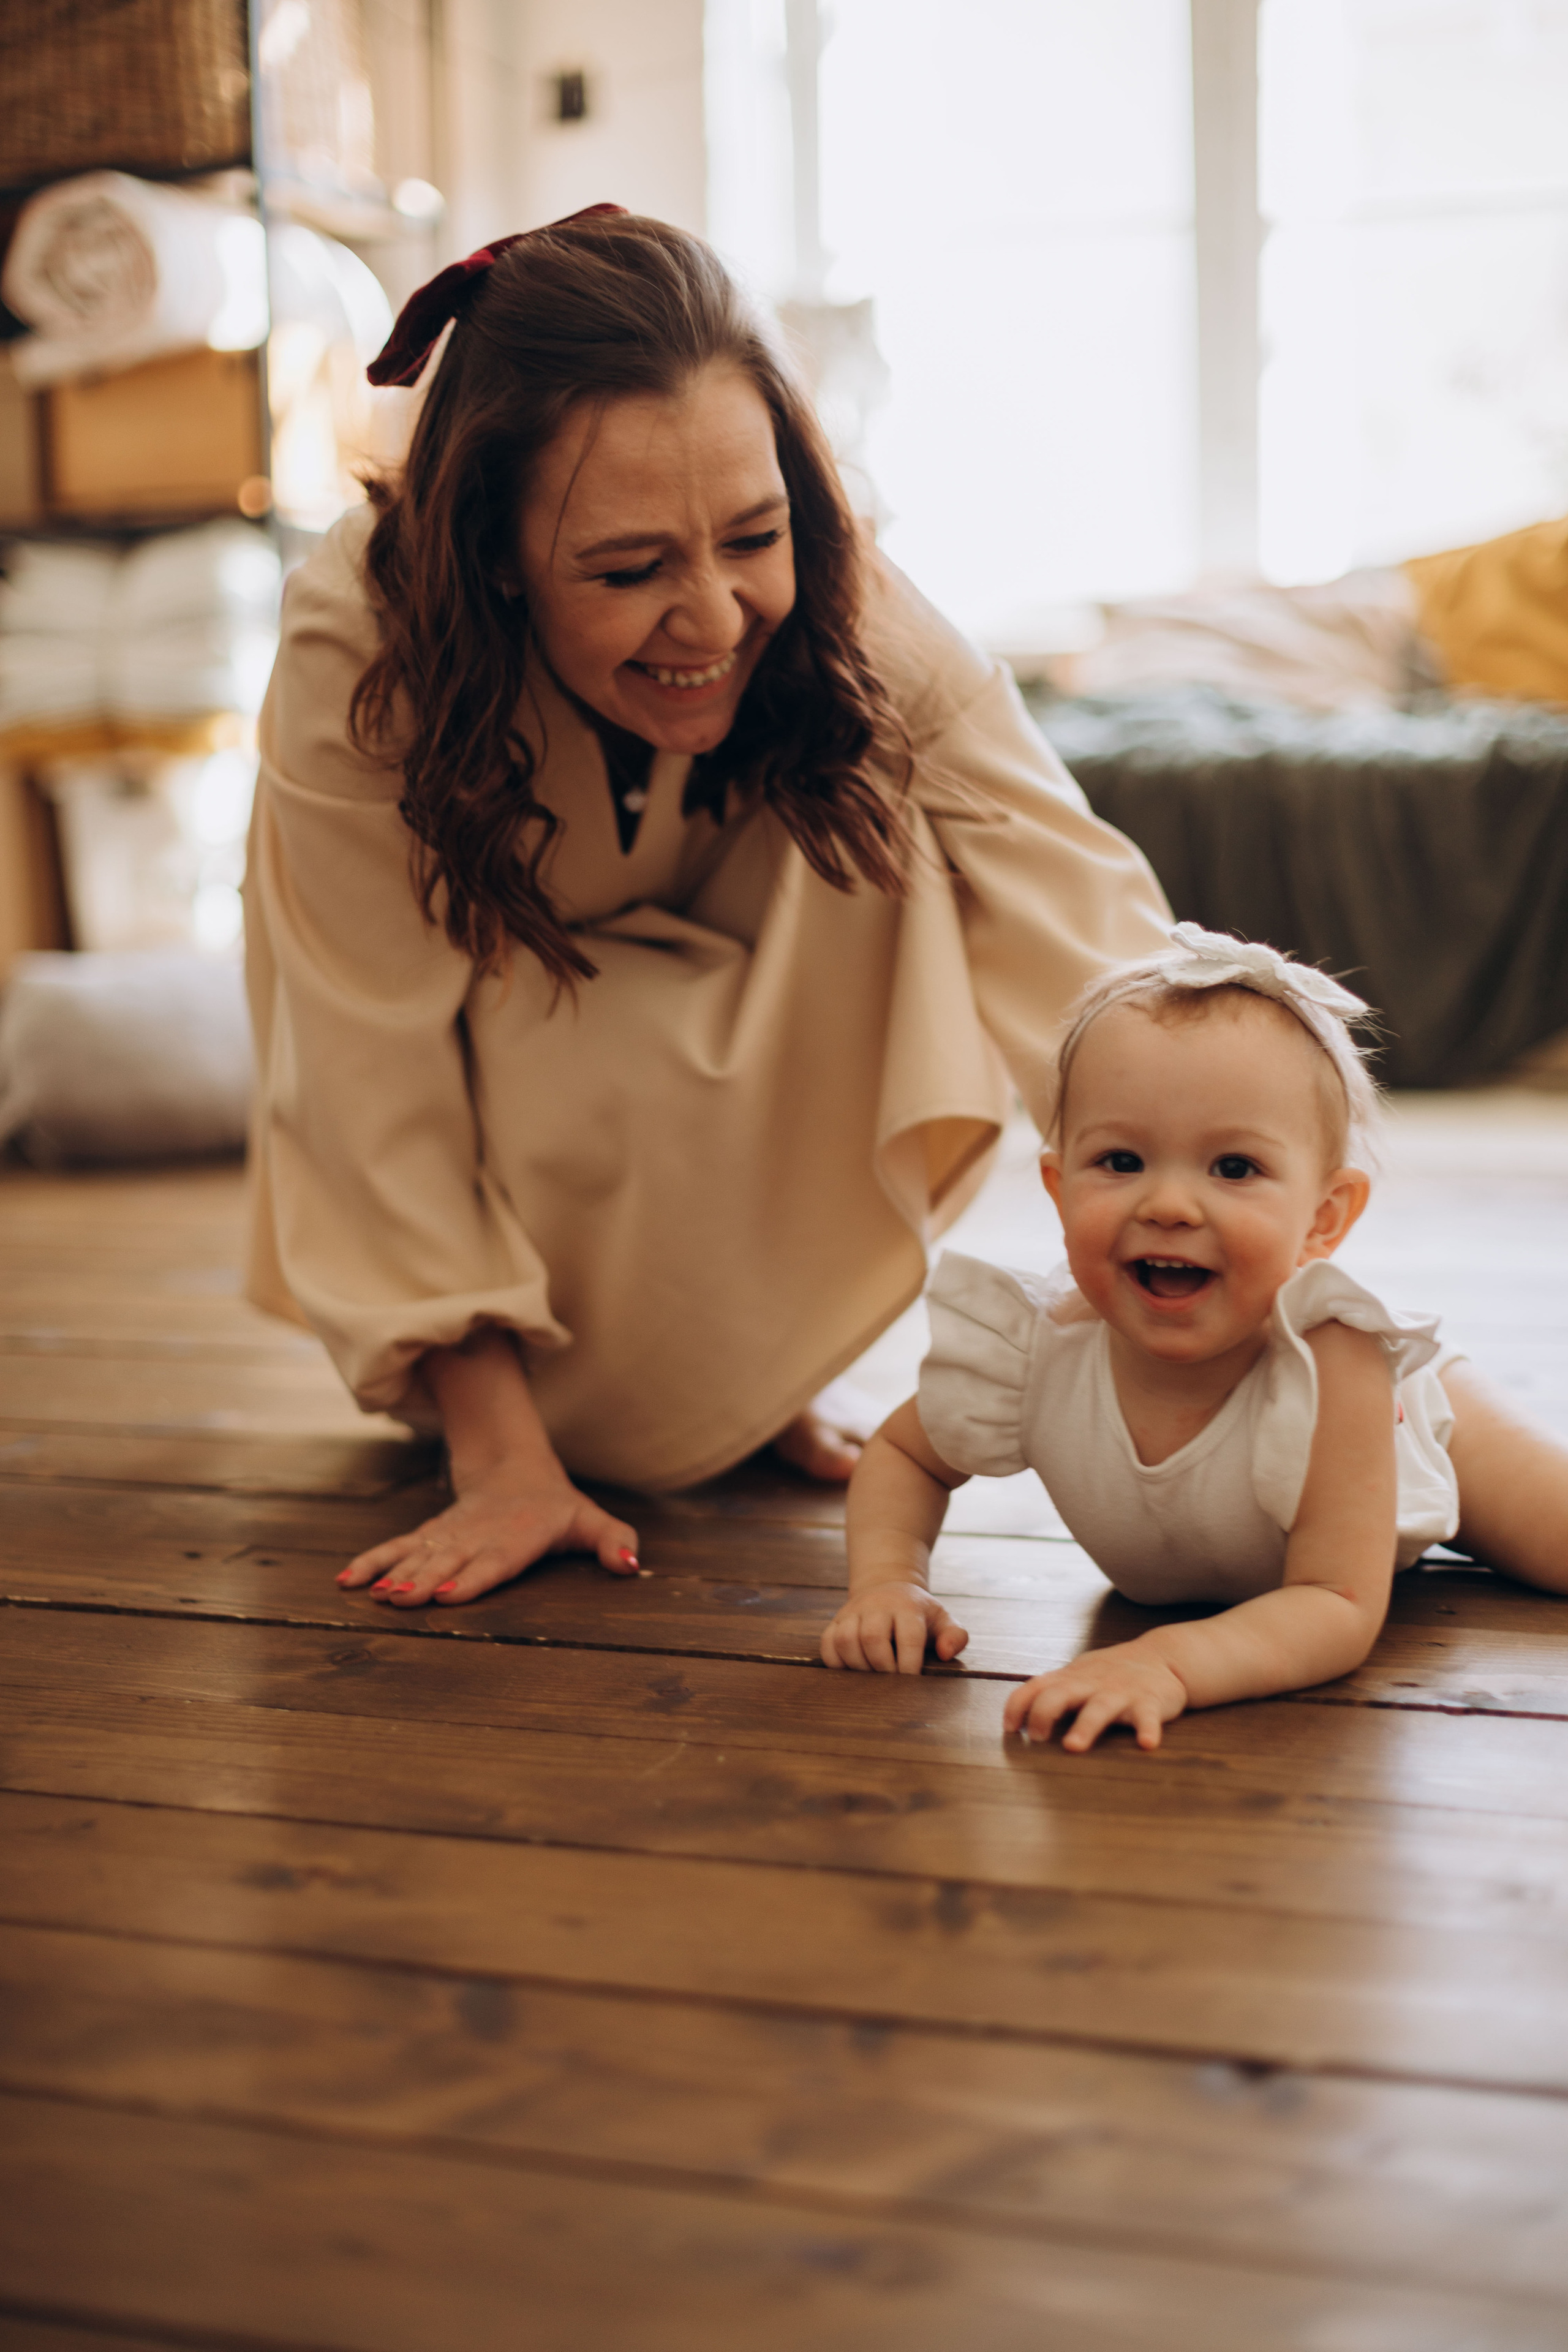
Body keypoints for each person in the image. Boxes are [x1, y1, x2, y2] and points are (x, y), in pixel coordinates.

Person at [242, 208, 1172, 1611]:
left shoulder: (844, 592)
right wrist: (498, 1462)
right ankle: (538, 1406)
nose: (717, 620)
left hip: (685, 1084)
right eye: (627, 571)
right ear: (492, 552)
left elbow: (1079, 912)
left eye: (752, 536)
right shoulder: (359, 635)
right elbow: (361, 1059)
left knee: (921, 829)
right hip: (489, 1147)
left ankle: (738, 1382)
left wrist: (1228, 1213)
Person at [821, 923, 1568, 1746]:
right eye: (1122, 1162)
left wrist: (1169, 1664)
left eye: (1234, 1169)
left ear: (1325, 1218)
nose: (1170, 1205)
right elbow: (905, 1455)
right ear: (1059, 1188)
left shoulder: (1336, 1366)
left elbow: (1336, 1603)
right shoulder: (1032, 1352)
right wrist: (888, 1582)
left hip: (1434, 1428)